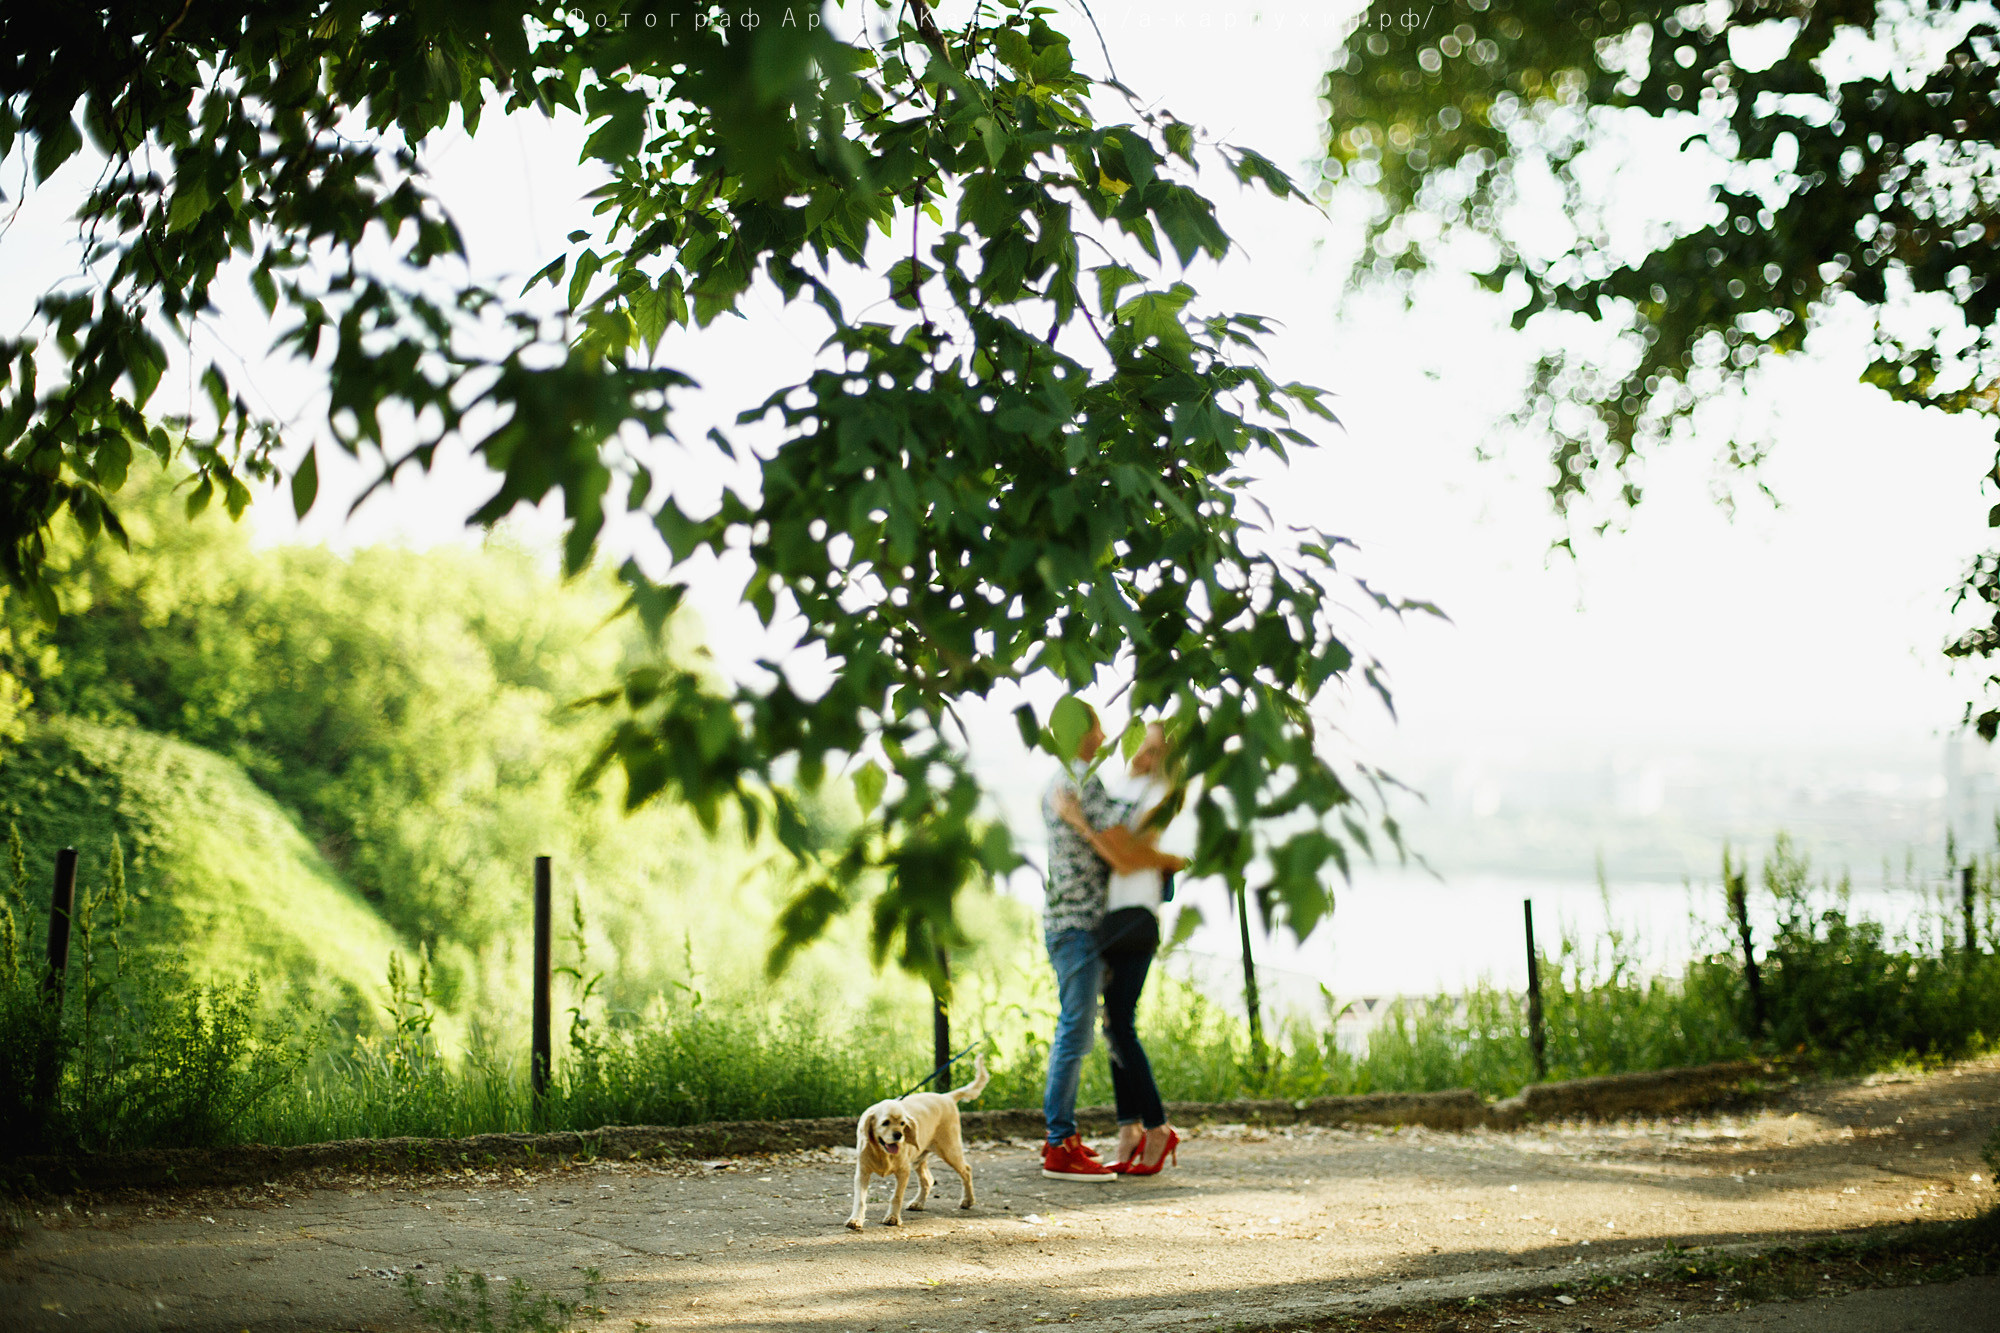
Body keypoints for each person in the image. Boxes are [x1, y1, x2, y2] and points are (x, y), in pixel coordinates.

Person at [1057, 722, 1185, 1176]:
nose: (1139, 757)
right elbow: (1124, 850)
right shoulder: (1126, 787)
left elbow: (1127, 857)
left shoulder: (1163, 795)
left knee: (1121, 1025)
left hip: (1137, 915)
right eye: (1139, 747)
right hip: (1110, 914)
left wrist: (1078, 822)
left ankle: (1156, 1128)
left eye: (1151, 751)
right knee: (1114, 1023)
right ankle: (1130, 1128)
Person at [1038, 702, 1126, 1180]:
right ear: (1081, 731)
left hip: (1069, 920)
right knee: (1075, 1029)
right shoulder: (1080, 783)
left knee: (1077, 1027)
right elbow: (1120, 840)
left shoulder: (1061, 779)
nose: (1105, 732)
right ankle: (1058, 1144)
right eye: (1096, 724)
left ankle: (1063, 1137)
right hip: (1077, 923)